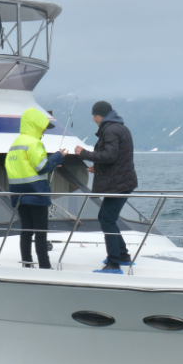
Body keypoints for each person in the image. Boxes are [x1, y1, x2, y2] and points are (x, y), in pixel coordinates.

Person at [74, 100, 138, 273]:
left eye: (94, 116)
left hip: (118, 184)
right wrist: (99, 166)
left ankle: (114, 262)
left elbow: (110, 155)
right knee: (106, 217)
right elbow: (117, 158)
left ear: (100, 115)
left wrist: (84, 154)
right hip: (121, 182)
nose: (93, 119)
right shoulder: (119, 127)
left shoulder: (110, 130)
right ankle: (122, 255)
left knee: (106, 219)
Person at [5, 108, 66, 269]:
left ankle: (27, 263)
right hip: (36, 194)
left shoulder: (15, 144)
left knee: (26, 231)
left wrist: (50, 164)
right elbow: (41, 166)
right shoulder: (34, 143)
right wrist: (58, 156)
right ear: (36, 125)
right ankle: (45, 266)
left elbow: (25, 168)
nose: (44, 131)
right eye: (44, 127)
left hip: (19, 195)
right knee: (40, 233)